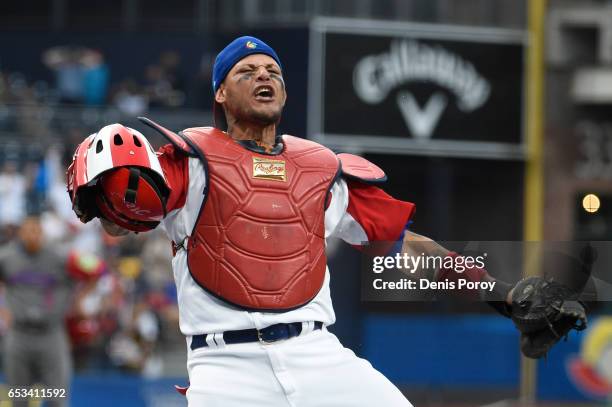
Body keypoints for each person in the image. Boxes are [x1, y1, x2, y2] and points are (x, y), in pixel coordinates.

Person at [67, 36, 588, 406]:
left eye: (272, 70)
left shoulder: (323, 169)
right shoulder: (190, 159)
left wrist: (503, 295)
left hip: (318, 354)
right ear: (220, 94)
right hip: (226, 369)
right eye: (245, 72)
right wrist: (107, 190)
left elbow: (409, 246)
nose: (263, 76)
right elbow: (124, 219)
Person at [0, 216, 73, 407]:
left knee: (56, 397)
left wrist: (77, 302)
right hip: (19, 334)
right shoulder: (7, 257)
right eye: (27, 231)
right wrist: (3, 310)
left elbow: (95, 272)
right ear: (20, 234)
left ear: (42, 234)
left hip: (51, 334)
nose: (31, 236)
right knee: (19, 397)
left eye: (36, 231)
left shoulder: (59, 258)